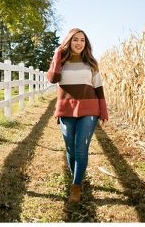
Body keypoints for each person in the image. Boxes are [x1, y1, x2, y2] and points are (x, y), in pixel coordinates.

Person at [45, 28, 108, 204]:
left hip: (89, 110)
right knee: (70, 149)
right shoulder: (61, 62)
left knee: (81, 148)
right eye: (75, 40)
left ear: (85, 43)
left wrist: (103, 110)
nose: (79, 43)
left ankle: (76, 186)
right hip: (66, 110)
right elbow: (52, 78)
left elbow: (99, 88)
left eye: (82, 40)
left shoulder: (91, 63)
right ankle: (76, 177)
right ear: (68, 42)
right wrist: (58, 54)